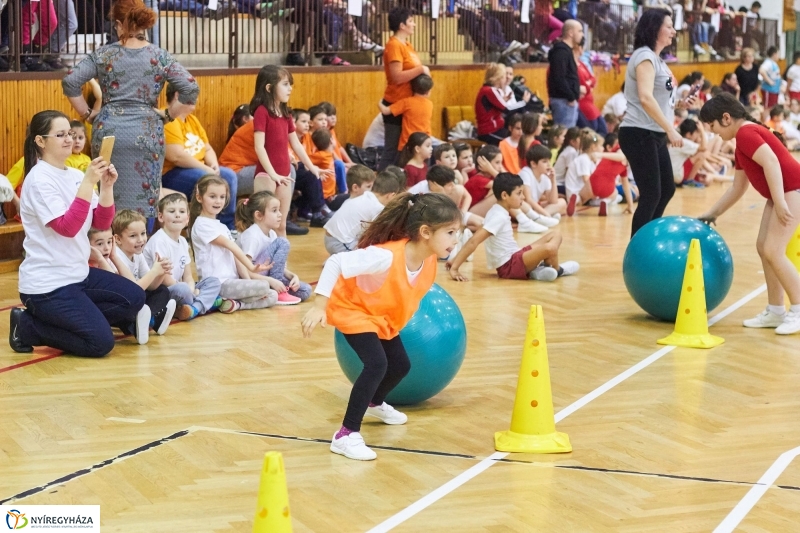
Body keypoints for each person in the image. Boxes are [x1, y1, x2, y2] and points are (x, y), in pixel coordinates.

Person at [301, 193, 463, 460]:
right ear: (425, 232)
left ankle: (374, 402)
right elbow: (336, 262)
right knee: (376, 364)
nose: (456, 239)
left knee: (400, 365)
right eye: (450, 232)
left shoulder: (428, 260)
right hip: (353, 309)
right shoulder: (385, 256)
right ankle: (345, 435)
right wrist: (319, 306)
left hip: (379, 315)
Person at [10, 110, 146, 357]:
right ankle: (28, 326)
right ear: (40, 141)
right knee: (100, 344)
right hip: (48, 286)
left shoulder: (74, 175)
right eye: (60, 135)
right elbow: (67, 227)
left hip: (78, 275)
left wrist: (106, 187)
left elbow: (101, 223)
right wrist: (88, 182)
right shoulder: (38, 180)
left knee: (134, 297)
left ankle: (81, 319)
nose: (69, 139)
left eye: (70, 134)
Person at [62, 0, 199, 219]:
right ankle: (140, 238)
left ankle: (110, 238)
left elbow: (70, 82)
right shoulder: (159, 56)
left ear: (118, 24)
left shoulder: (104, 55)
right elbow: (190, 87)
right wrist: (168, 114)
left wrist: (87, 114)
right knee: (146, 200)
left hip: (109, 131)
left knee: (107, 193)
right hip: (147, 131)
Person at [698, 93, 800, 335]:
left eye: (712, 125)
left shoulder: (746, 133)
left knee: (774, 250)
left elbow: (772, 162)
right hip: (782, 194)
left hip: (792, 190)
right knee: (764, 247)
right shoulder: (741, 142)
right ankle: (775, 310)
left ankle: (798, 309)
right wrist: (712, 213)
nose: (712, 132)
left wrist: (779, 201)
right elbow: (738, 187)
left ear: (726, 118)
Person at [618, 8, 691, 237]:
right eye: (669, 26)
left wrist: (678, 103)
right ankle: (637, 247)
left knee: (666, 189)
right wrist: (671, 129)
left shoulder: (658, 60)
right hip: (639, 133)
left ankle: (648, 238)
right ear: (654, 29)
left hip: (653, 133)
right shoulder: (644, 56)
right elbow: (645, 98)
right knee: (651, 194)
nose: (673, 31)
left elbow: (658, 99)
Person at [446, 173, 579, 283]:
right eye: (519, 193)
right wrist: (455, 268)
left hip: (516, 256)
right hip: (508, 266)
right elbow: (474, 241)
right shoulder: (498, 216)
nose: (523, 197)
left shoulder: (499, 210)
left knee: (556, 235)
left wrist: (454, 259)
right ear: (505, 195)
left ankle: (539, 270)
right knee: (550, 248)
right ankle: (557, 270)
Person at [250, 65, 323, 237]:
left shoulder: (286, 113)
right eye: (285, 84)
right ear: (269, 88)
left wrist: (311, 166)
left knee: (281, 225)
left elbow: (296, 144)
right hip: (267, 175)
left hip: (285, 174)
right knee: (264, 225)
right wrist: (272, 174)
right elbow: (259, 147)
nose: (290, 88)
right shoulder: (262, 112)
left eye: (290, 84)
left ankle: (281, 256)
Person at [190, 175, 277, 313]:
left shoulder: (222, 227)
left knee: (273, 295)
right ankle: (216, 298)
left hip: (232, 282)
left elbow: (235, 257)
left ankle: (235, 304)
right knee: (264, 287)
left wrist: (249, 281)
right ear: (199, 197)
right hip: (218, 284)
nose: (218, 201)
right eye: (212, 196)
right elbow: (231, 246)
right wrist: (251, 267)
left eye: (222, 197)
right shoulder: (201, 225)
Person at [161, 83, 239, 231]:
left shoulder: (192, 120)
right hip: (172, 173)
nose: (196, 99)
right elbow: (176, 156)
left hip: (199, 168)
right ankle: (207, 228)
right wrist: (206, 169)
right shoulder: (168, 119)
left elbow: (207, 148)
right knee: (207, 178)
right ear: (177, 95)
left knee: (229, 175)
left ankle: (227, 227)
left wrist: (213, 165)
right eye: (193, 95)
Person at [143, 193, 221, 321]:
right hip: (162, 291)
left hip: (182, 288)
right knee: (182, 289)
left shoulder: (183, 241)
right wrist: (191, 291)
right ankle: (204, 303)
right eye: (172, 211)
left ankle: (192, 308)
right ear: (161, 217)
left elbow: (188, 276)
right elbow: (165, 280)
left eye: (182, 211)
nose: (177, 215)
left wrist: (191, 289)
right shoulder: (159, 240)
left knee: (214, 282)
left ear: (187, 219)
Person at [112, 209, 177, 338]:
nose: (141, 239)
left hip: (136, 301)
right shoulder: (117, 257)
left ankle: (148, 320)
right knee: (128, 308)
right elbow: (133, 290)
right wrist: (154, 271)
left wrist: (161, 273)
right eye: (133, 236)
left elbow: (151, 286)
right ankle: (150, 322)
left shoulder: (138, 254)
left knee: (162, 290)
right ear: (118, 239)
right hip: (122, 303)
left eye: (143, 233)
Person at [235, 191, 309, 304]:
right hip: (253, 279)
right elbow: (245, 270)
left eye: (279, 210)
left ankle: (276, 288)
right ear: (259, 215)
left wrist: (293, 276)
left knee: (305, 290)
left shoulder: (272, 233)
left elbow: (276, 265)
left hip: (267, 276)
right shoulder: (252, 236)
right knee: (283, 242)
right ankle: (277, 291)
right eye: (274, 211)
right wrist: (271, 281)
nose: (280, 214)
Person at [378, 6, 429, 170]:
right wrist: (421, 69)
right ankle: (380, 182)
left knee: (407, 152)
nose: (414, 24)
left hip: (409, 105)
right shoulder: (394, 45)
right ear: (402, 25)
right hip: (396, 102)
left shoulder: (407, 45)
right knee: (392, 150)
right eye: (411, 21)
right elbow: (397, 76)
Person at [323, 171, 400, 255]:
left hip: (331, 238)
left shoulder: (366, 195)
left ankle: (339, 256)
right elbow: (381, 233)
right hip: (340, 243)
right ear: (391, 195)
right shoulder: (378, 207)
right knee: (372, 252)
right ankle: (341, 259)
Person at [378, 74, 434, 153]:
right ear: (428, 92)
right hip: (424, 143)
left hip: (407, 143)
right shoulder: (430, 104)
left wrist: (380, 103)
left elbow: (385, 111)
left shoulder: (407, 102)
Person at [547, 20, 583, 128]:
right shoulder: (561, 52)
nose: (582, 34)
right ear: (571, 33)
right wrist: (570, 97)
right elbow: (559, 77)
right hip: (563, 101)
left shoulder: (566, 51)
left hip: (566, 101)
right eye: (580, 31)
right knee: (563, 134)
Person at [519, 144, 567, 218]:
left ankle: (539, 216)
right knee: (526, 205)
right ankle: (544, 215)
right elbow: (528, 199)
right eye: (544, 161)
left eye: (549, 161)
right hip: (524, 206)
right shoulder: (525, 173)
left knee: (562, 202)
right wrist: (545, 213)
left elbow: (553, 201)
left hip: (534, 207)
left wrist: (553, 181)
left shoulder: (544, 176)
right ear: (533, 164)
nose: (549, 164)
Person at [474, 63, 516, 145]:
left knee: (516, 135)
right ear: (498, 78)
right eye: (504, 77)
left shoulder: (488, 90)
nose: (505, 79)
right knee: (514, 139)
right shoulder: (489, 90)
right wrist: (523, 103)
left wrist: (504, 100)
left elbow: (494, 106)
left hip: (494, 129)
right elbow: (507, 109)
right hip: (489, 131)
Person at [574, 42, 606, 135]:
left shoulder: (581, 63)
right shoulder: (573, 66)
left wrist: (588, 84)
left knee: (603, 129)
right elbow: (582, 83)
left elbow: (593, 79)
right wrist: (588, 85)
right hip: (582, 103)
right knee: (592, 130)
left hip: (590, 103)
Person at [759, 46, 781, 111]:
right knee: (768, 108)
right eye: (778, 54)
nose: (779, 56)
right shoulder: (768, 62)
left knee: (773, 108)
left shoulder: (773, 63)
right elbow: (761, 70)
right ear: (774, 54)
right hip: (769, 89)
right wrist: (769, 81)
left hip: (774, 90)